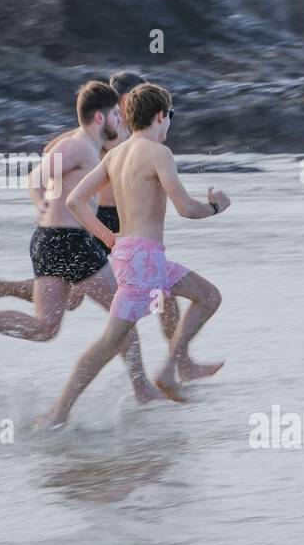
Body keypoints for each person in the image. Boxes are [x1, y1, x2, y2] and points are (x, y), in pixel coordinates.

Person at [0, 70, 216, 378]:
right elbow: (52, 154)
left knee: (159, 294)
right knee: (75, 300)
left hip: (124, 224)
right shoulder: (104, 134)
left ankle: (178, 363)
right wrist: (45, 198)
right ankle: (157, 376)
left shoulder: (135, 133)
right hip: (100, 222)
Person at [0, 81, 161, 403]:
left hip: (52, 241)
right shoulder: (78, 146)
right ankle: (142, 390)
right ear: (100, 118)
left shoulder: (89, 146)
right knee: (122, 312)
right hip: (68, 241)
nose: (119, 119)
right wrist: (40, 201)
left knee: (46, 327)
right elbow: (36, 178)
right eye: (115, 114)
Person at [45, 83, 228, 426]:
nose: (169, 123)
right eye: (169, 116)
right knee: (110, 340)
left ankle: (173, 367)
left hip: (138, 257)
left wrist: (108, 238)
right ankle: (60, 411)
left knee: (208, 296)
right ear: (160, 116)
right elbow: (187, 209)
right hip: (144, 262)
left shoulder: (114, 155)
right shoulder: (160, 153)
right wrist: (217, 206)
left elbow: (74, 201)